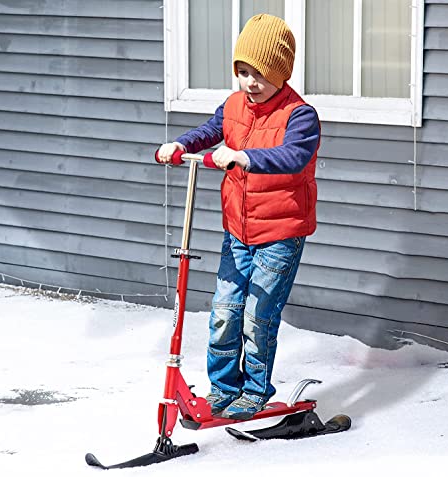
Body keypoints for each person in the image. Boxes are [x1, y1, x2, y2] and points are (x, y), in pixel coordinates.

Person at [157, 14, 320, 420]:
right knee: (224, 312)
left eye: (260, 74)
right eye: (243, 72)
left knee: (256, 316)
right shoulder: (234, 105)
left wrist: (243, 156)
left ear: (281, 73)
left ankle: (254, 390)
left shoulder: (300, 116)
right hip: (238, 229)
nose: (250, 83)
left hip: (280, 232)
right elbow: (211, 130)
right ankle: (224, 388)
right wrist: (180, 144)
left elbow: (294, 157)